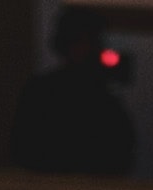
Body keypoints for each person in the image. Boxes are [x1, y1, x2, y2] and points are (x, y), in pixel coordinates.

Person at [10, 4, 135, 174]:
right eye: (82, 42)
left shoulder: (101, 98)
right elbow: (23, 148)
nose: (90, 49)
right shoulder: (42, 91)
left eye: (93, 42)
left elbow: (121, 151)